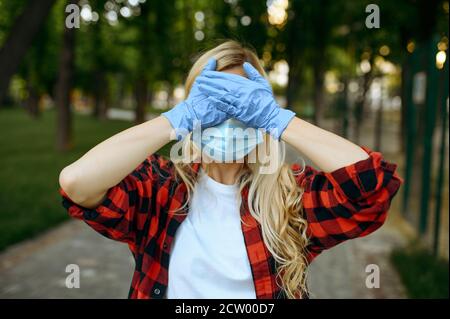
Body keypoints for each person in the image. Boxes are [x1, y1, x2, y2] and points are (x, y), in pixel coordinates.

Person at [59, 40, 402, 299]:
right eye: (212, 103)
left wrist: (277, 119)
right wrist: (175, 120)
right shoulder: (161, 188)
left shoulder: (291, 195)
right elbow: (77, 183)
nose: (226, 116)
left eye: (240, 104)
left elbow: (373, 190)